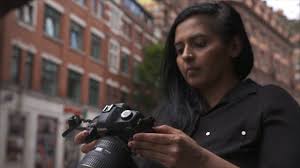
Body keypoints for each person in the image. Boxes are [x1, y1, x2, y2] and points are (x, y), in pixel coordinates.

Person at [75, 1, 300, 168]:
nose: (186, 56)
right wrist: (113, 153)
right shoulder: (166, 116)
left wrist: (201, 161)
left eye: (199, 44)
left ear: (234, 46)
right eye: (179, 49)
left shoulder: (270, 101)